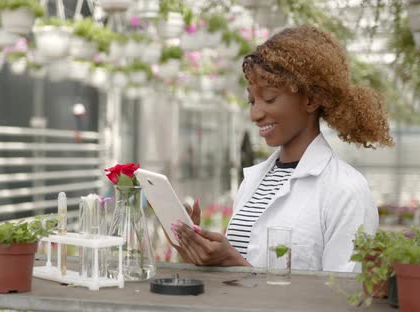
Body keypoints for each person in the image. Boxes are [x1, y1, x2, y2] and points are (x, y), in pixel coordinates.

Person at [169, 26, 394, 272]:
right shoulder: (253, 183)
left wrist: (235, 264)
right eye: (252, 101)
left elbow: (343, 297)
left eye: (269, 99)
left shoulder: (346, 190)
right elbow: (231, 285)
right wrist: (195, 253)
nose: (255, 114)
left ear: (310, 100)